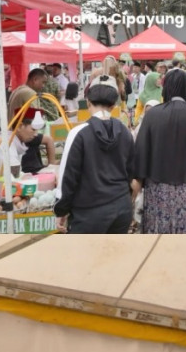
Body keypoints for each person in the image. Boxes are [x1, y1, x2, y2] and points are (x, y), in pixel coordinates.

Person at [133, 68, 186, 234]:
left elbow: (141, 148)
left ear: (166, 88)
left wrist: (139, 180)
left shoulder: (153, 114)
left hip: (159, 185)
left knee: (160, 231)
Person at [53, 77, 135, 234]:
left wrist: (61, 210)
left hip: (89, 212)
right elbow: (131, 172)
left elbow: (68, 177)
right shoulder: (125, 131)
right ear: (113, 106)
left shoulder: (79, 133)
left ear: (88, 103)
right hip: (121, 207)